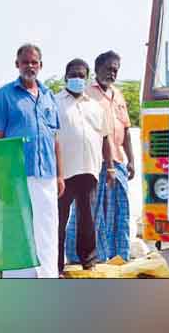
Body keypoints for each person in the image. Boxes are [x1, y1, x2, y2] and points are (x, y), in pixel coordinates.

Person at [0, 43, 63, 278]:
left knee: (47, 229)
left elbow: (55, 139)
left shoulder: (49, 96)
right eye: (25, 61)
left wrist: (60, 175)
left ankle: (47, 277)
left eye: (34, 62)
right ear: (17, 64)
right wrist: (0, 177)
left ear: (40, 65)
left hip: (47, 174)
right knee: (17, 228)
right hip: (16, 174)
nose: (30, 66)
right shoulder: (4, 95)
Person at [55, 58, 114, 275]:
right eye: (73, 74)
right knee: (59, 220)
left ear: (87, 77)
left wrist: (110, 167)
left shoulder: (95, 106)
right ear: (66, 77)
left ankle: (88, 260)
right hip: (63, 172)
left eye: (81, 75)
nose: (77, 78)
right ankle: (56, 265)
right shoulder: (55, 102)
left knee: (87, 218)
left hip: (89, 170)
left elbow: (106, 137)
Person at [85, 50, 135, 262]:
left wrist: (131, 160)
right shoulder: (87, 94)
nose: (112, 73)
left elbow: (126, 130)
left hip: (119, 162)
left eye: (116, 70)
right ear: (97, 70)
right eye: (108, 69)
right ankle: (96, 259)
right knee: (97, 214)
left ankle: (120, 258)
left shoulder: (118, 95)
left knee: (121, 213)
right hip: (96, 163)